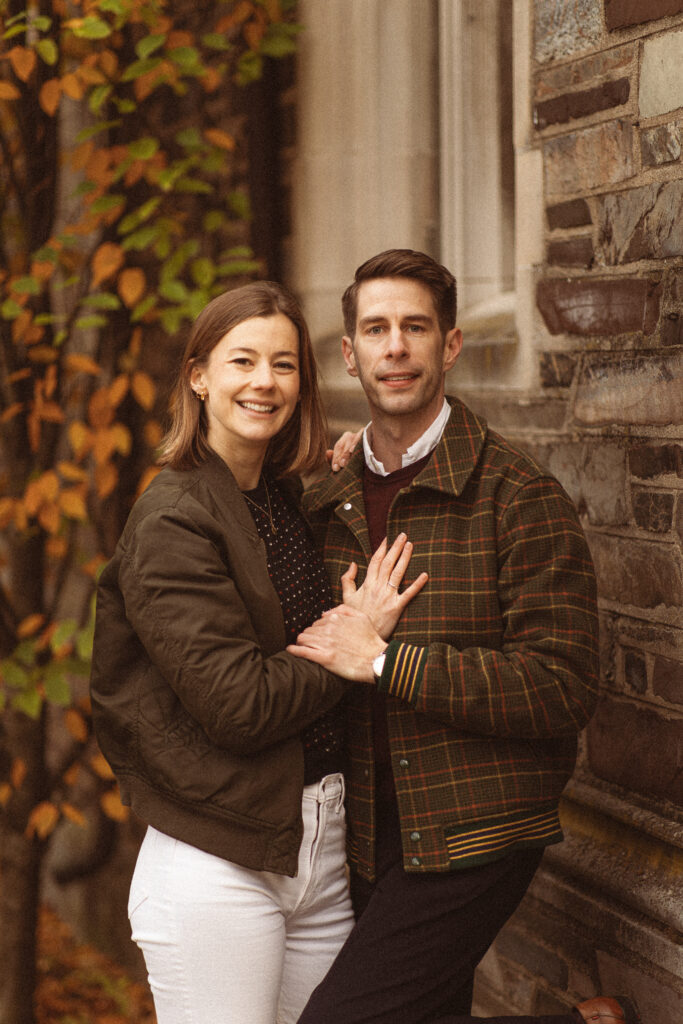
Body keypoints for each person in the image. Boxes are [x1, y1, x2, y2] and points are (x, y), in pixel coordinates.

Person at [288, 250, 640, 1024]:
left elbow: (562, 688)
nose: (395, 347)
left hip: (476, 827)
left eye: (415, 327)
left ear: (449, 344)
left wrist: (386, 662)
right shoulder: (327, 497)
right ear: (348, 353)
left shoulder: (517, 495)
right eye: (375, 330)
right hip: (364, 826)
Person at [89, 280, 427, 1024]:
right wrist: (351, 638)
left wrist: (352, 462)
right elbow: (237, 706)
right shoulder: (173, 519)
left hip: (318, 851)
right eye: (242, 361)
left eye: (283, 365)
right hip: (218, 862)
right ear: (199, 376)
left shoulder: (276, 500)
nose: (264, 383)